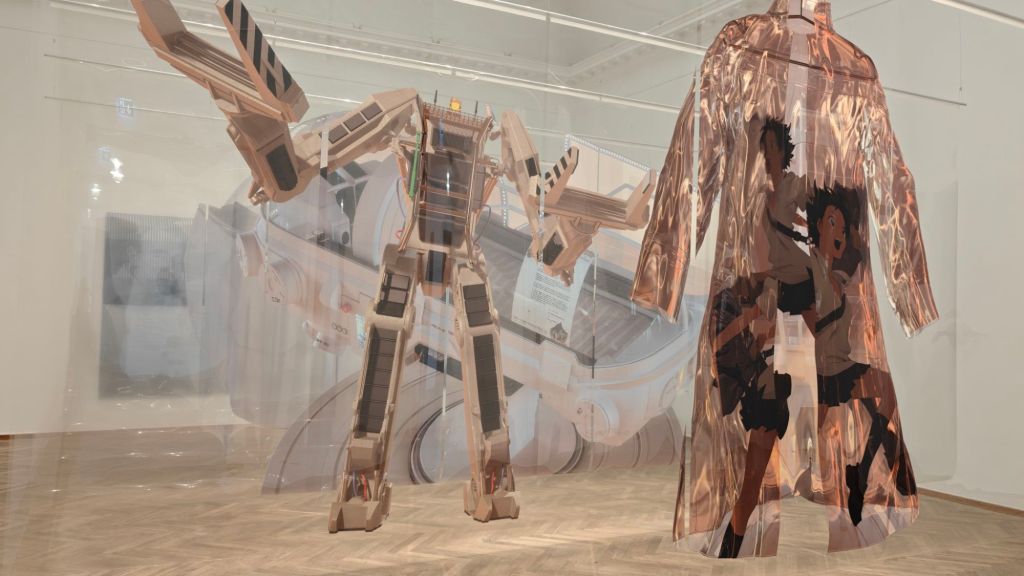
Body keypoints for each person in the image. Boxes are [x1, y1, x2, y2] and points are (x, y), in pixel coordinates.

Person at [805, 182, 916, 526]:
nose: (838, 232)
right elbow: (813, 324)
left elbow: (857, 249)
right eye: (831, 223)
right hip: (826, 372)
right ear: (818, 225)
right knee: (881, 401)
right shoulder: (810, 270)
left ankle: (865, 471)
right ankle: (883, 465)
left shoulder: (837, 269)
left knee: (884, 397)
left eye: (841, 226)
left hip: (842, 366)